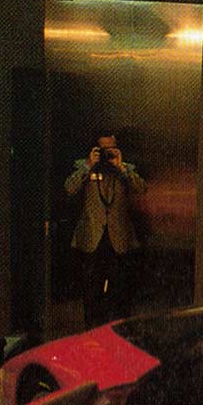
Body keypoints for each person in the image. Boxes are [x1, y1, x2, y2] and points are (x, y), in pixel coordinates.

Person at [66, 131, 145, 326]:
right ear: (95, 150)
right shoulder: (85, 167)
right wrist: (88, 165)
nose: (107, 154)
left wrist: (122, 168)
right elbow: (69, 188)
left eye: (111, 149)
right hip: (92, 238)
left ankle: (117, 332)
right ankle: (92, 332)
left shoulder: (125, 169)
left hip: (119, 239)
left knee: (120, 294)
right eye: (103, 150)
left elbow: (141, 188)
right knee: (91, 293)